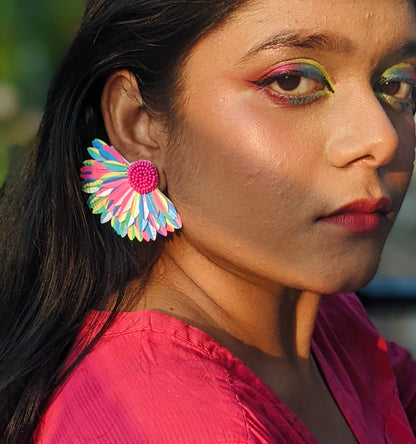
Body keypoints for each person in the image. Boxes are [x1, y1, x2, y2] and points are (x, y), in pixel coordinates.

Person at [1, 0, 416, 442]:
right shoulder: (167, 422)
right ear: (137, 123)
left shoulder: (321, 322)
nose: (383, 138)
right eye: (292, 81)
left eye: (400, 85)